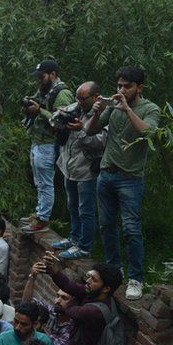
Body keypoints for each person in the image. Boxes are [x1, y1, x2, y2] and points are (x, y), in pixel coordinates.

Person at [85, 66, 161, 300]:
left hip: (130, 178)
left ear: (139, 87)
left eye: (127, 86)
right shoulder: (115, 106)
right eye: (119, 85)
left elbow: (149, 134)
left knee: (131, 229)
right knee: (107, 226)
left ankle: (136, 278)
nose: (121, 90)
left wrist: (127, 109)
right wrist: (97, 112)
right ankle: (113, 271)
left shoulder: (150, 108)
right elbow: (89, 131)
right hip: (107, 174)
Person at [51, 81, 107, 260]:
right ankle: (73, 238)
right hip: (69, 166)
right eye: (77, 98)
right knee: (72, 207)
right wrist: (59, 117)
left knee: (86, 210)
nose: (79, 102)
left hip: (86, 170)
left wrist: (82, 130)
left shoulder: (103, 113)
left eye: (83, 98)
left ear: (96, 97)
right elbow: (53, 120)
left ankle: (84, 247)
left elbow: (100, 142)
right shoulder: (76, 107)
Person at [20, 59, 74, 234]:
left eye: (41, 77)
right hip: (38, 141)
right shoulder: (46, 89)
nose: (39, 81)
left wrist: (39, 111)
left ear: (52, 74)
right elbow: (39, 102)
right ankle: (39, 212)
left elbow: (62, 122)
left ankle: (43, 220)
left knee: (45, 183)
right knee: (39, 182)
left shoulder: (63, 93)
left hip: (49, 144)